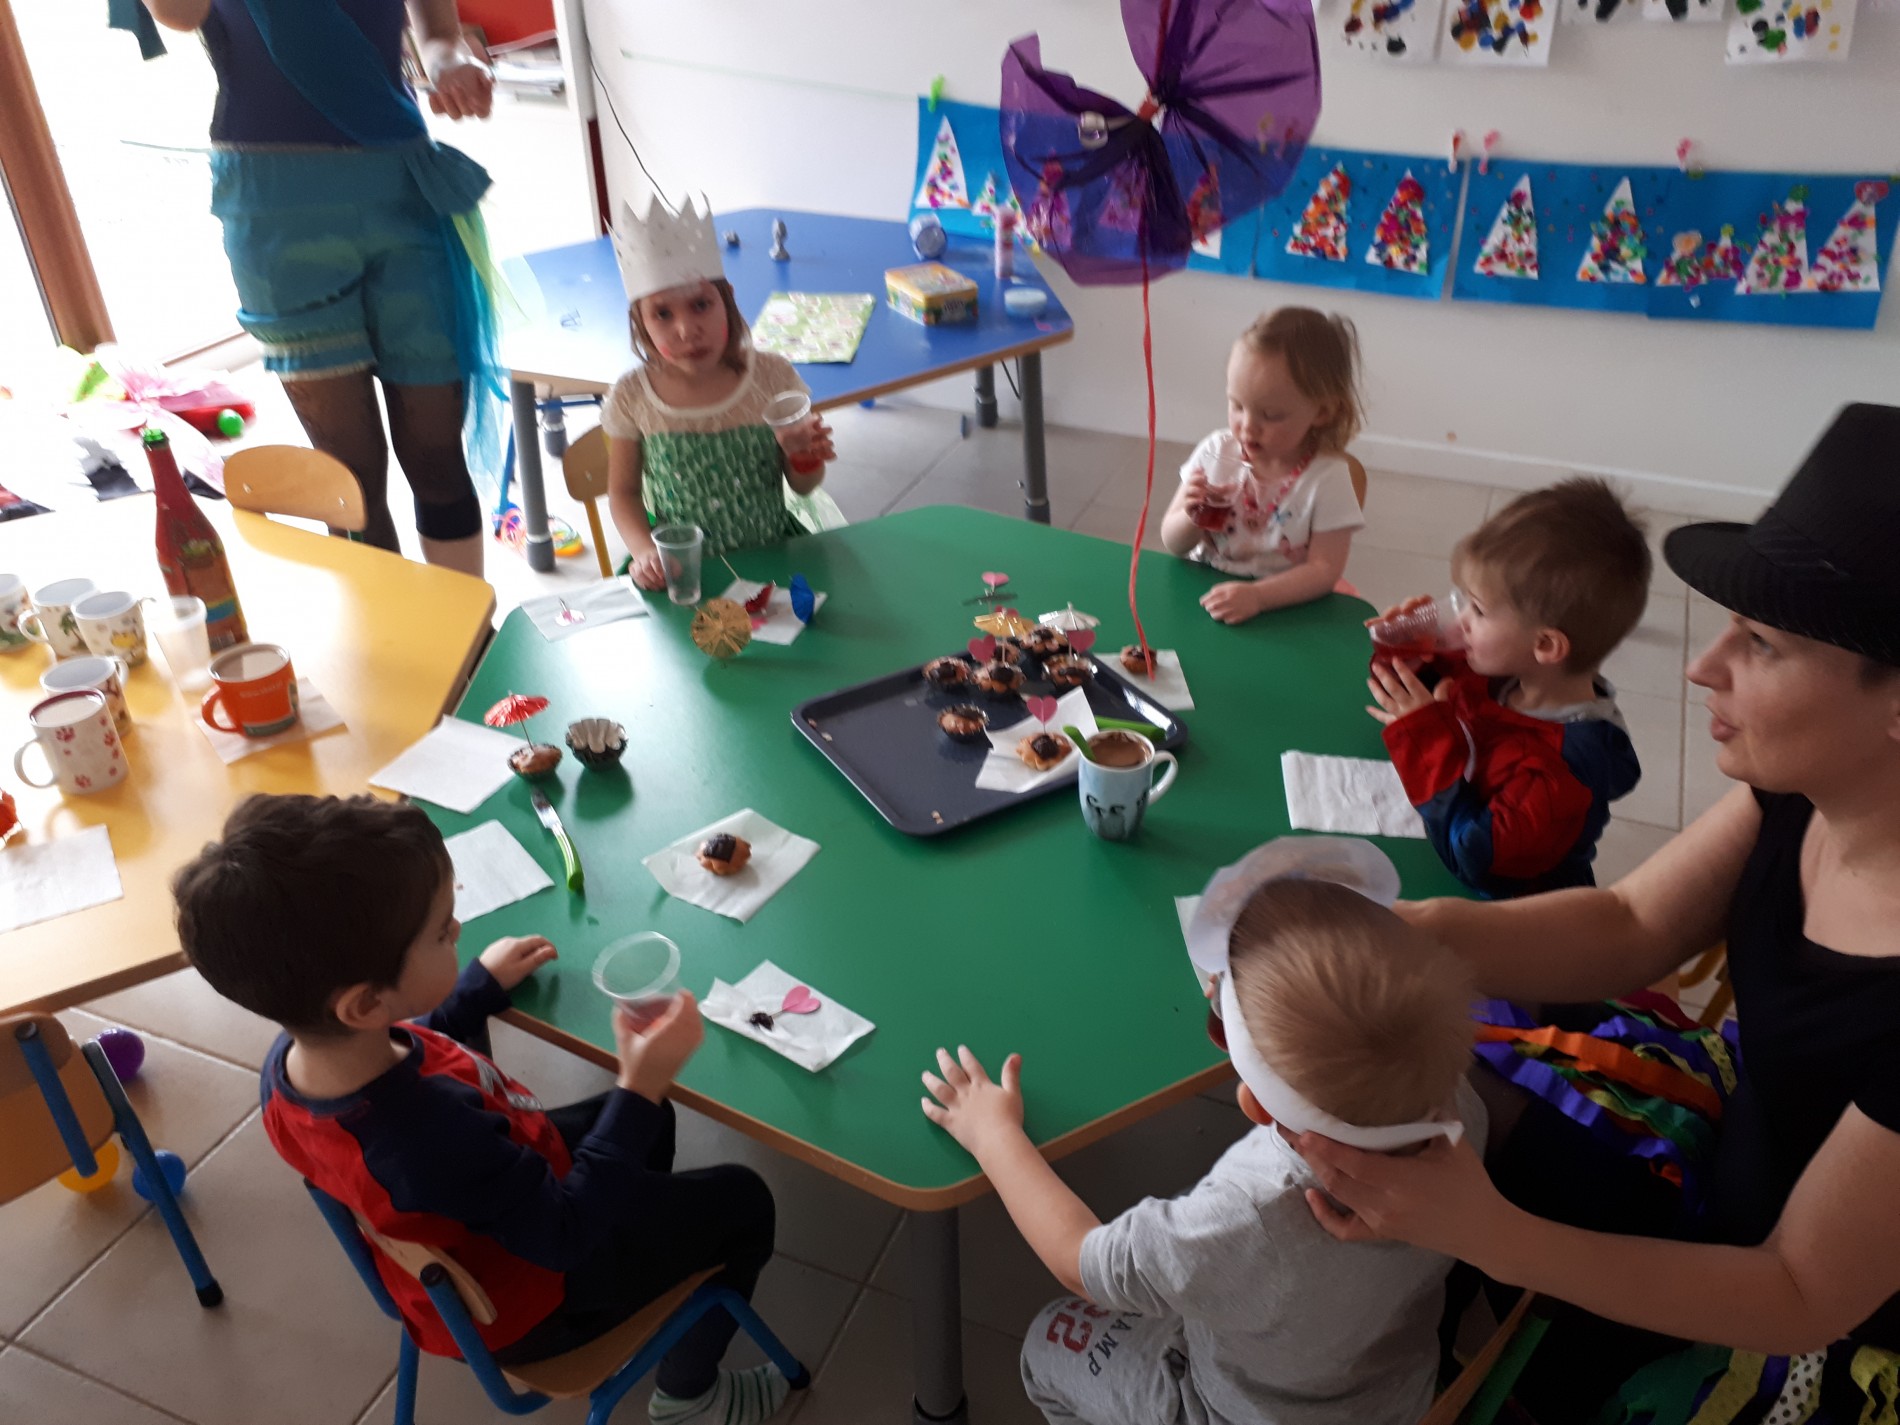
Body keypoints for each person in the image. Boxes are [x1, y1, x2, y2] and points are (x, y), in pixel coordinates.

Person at [1291, 405, 1900, 1425]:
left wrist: (1486, 1232)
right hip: (1738, 1157)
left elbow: (1800, 1292)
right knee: (1447, 1081)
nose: (1704, 665)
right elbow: (1628, 923)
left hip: (1792, 1315)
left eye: (1761, 643)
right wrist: (1419, 929)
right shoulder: (1797, 791)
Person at [172, 795, 793, 1425]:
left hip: (498, 1214)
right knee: (743, 1198)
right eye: (442, 931)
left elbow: (414, 1048)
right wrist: (639, 1085)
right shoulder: (427, 1138)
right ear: (364, 1004)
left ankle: (649, 1261)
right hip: (544, 1297)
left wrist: (471, 993)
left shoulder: (300, 1065)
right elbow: (562, 1234)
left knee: (650, 1119)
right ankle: (689, 1397)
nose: (459, 932)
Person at [920, 840, 1486, 1425]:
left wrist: (993, 1135)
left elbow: (1078, 1261)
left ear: (1255, 1102)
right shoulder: (1461, 1108)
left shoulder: (1244, 1218)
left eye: (1222, 1020)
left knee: (1049, 1340)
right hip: (1390, 1392)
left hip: (1234, 1409)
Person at [140, 0, 504, 577]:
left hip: (401, 188)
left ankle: (472, 628)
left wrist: (448, 65)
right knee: (349, 482)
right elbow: (179, 15)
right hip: (276, 208)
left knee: (437, 457)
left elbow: (438, 32)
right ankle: (400, 635)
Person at [1369, 479, 1650, 898]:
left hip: (1512, 914)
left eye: (1479, 611)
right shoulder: (1505, 671)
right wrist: (1407, 653)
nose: (1461, 620)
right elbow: (1416, 691)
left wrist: (1427, 742)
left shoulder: (1562, 771)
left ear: (1545, 645)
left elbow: (1475, 860)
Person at [602, 197, 837, 591]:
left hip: (771, 560)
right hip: (684, 573)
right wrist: (643, 551)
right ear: (639, 321)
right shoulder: (633, 396)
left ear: (726, 298)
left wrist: (803, 454)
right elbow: (623, 493)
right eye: (663, 314)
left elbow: (803, 485)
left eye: (700, 305)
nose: (686, 330)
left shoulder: (771, 377)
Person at [1159, 308, 1367, 626]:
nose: (1247, 427)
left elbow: (1324, 570)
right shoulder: (1216, 451)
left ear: (1322, 412)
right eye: (1237, 405)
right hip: (1204, 594)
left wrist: (1257, 597)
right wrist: (1190, 518)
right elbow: (1172, 543)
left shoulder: (1328, 478)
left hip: (1284, 607)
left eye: (1270, 415)